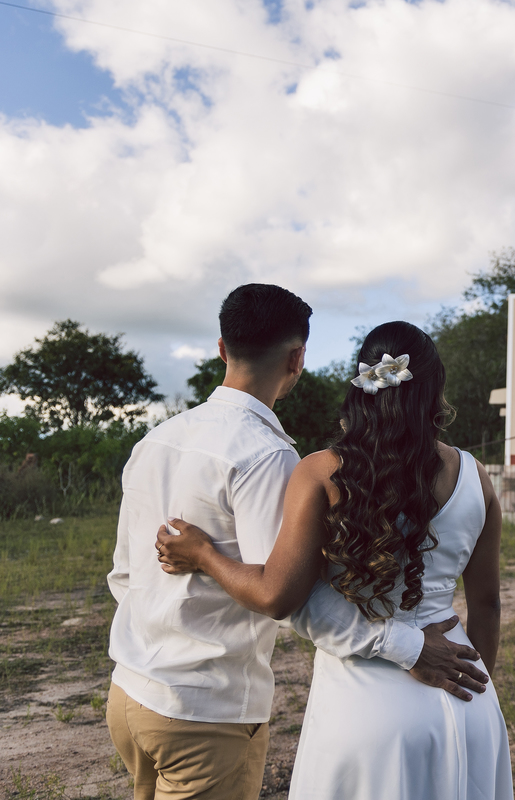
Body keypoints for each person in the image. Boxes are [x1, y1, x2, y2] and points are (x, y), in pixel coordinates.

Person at [108, 286, 487, 800]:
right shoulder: (267, 456)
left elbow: (126, 574)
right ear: (297, 357)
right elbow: (283, 595)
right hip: (206, 706)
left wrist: (182, 590)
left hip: (131, 693)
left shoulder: (154, 440)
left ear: (222, 348)